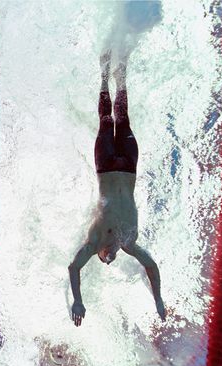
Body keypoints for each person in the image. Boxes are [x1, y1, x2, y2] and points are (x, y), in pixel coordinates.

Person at [68, 50, 165, 327]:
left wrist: (78, 299)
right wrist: (157, 299)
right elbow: (152, 267)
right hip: (129, 165)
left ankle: (103, 73)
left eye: (102, 261)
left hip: (107, 166)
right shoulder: (129, 242)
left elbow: (74, 267)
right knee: (123, 116)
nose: (108, 260)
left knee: (105, 119)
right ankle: (120, 74)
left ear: (99, 253)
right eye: (112, 261)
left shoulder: (95, 239)